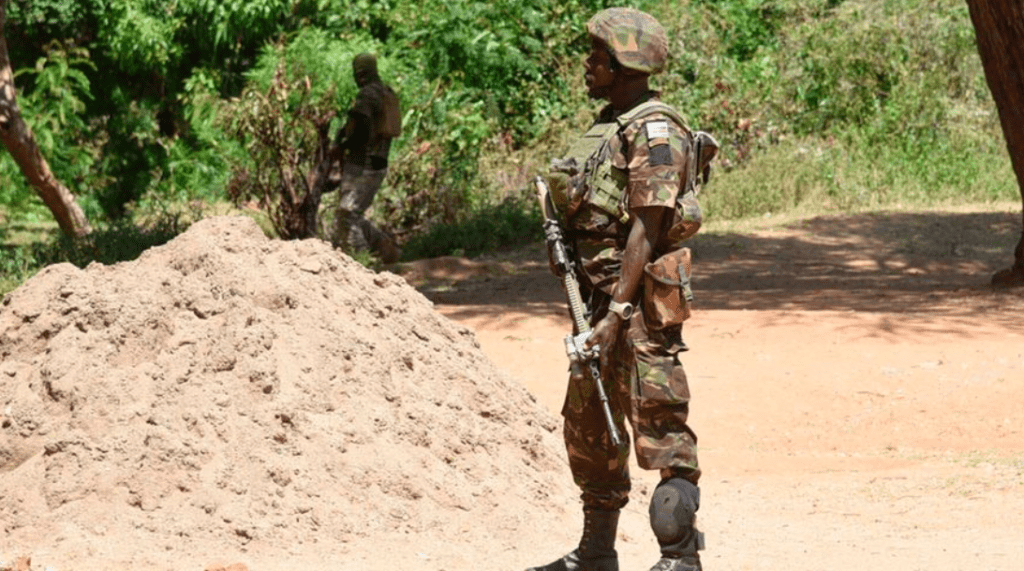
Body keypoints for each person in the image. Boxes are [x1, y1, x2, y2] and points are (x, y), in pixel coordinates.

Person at [528, 8, 713, 571]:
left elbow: (647, 226)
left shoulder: (656, 129)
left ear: (624, 62)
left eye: (597, 57)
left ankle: (679, 558)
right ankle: (595, 555)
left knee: (661, 429)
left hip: (635, 311)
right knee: (591, 433)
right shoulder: (610, 122)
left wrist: (619, 312)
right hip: (595, 306)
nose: (588, 65)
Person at [326, 52, 402, 263]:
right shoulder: (387, 92)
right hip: (379, 161)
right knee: (352, 214)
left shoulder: (367, 95)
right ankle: (387, 251)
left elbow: (360, 128)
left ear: (360, 74)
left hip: (364, 163)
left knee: (346, 215)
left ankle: (359, 263)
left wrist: (341, 147)